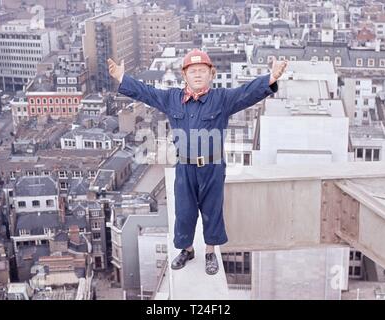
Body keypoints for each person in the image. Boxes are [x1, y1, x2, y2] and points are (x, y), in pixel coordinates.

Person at [108, 49, 287, 275]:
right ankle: (187, 250)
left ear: (211, 74)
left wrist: (271, 78)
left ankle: (210, 252)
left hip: (212, 167)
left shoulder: (222, 99)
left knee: (212, 210)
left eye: (202, 71)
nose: (198, 75)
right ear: (185, 75)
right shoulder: (172, 98)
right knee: (184, 211)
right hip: (184, 167)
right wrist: (123, 78)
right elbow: (147, 93)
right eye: (193, 71)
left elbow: (246, 93)